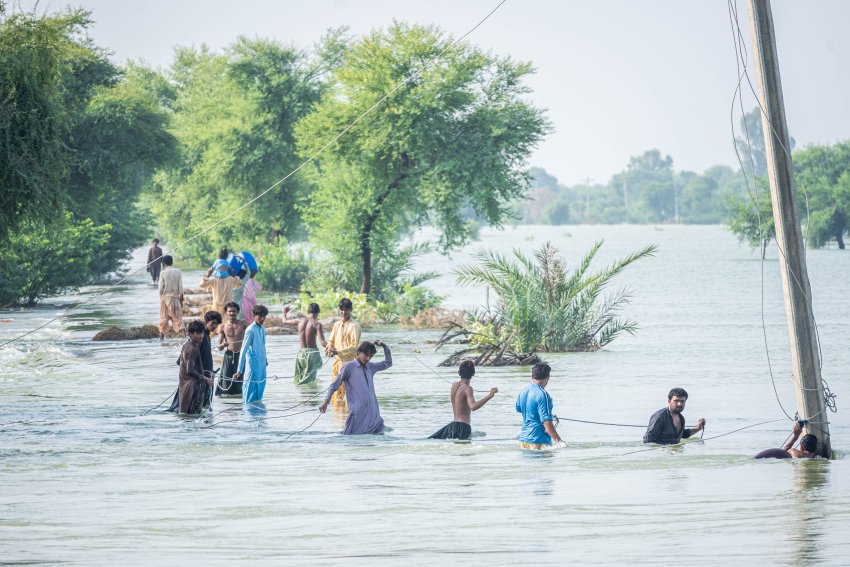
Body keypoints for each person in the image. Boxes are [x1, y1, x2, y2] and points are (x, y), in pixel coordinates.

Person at [319, 340, 392, 435]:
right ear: (358, 352)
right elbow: (334, 385)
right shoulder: (348, 367)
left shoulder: (370, 367)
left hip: (373, 414)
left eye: (371, 356)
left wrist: (384, 346)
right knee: (352, 439)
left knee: (374, 443)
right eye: (366, 355)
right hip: (358, 415)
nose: (368, 358)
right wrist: (326, 402)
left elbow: (388, 363)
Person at [429, 360, 498, 440]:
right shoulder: (468, 389)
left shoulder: (454, 386)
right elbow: (473, 407)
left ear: (459, 373)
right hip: (463, 427)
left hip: (452, 426)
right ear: (473, 374)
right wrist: (490, 395)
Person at [515, 362, 565, 449]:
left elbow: (519, 409)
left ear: (532, 376)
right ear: (548, 377)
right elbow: (546, 422)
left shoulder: (523, 391)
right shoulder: (543, 394)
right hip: (539, 442)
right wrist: (559, 441)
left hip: (523, 441)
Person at [325, 298, 361, 406]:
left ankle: (344, 418)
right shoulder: (337, 325)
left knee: (345, 394)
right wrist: (329, 348)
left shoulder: (354, 326)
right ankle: (337, 419)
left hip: (349, 364)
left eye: (346, 309)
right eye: (341, 309)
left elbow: (354, 347)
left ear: (351, 310)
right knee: (335, 392)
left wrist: (338, 351)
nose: (343, 312)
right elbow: (331, 340)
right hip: (337, 363)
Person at [282, 303, 327, 385]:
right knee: (309, 381)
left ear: (308, 312)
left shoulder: (300, 320)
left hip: (301, 354)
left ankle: (302, 396)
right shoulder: (317, 324)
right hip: (312, 354)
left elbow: (284, 321)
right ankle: (309, 396)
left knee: (300, 379)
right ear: (318, 312)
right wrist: (333, 348)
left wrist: (284, 312)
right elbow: (323, 343)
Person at [176, 320, 213, 415]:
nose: (201, 336)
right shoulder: (193, 349)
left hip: (186, 387)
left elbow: (191, 368)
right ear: (190, 334)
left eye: (202, 333)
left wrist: (206, 372)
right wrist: (206, 379)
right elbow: (190, 371)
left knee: (187, 417)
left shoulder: (187, 346)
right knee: (192, 416)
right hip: (192, 388)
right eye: (197, 333)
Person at [233, 305, 269, 404]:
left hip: (261, 366)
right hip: (252, 367)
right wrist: (239, 370)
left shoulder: (263, 329)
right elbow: (243, 350)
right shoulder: (250, 330)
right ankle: (248, 416)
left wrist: (265, 359)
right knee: (249, 394)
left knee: (259, 393)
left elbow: (263, 346)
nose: (262, 319)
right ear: (254, 315)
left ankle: (259, 417)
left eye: (264, 316)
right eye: (260, 316)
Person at [216, 302, 249, 397]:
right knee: (226, 380)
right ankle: (227, 402)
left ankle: (240, 400)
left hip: (241, 355)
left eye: (234, 311)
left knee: (240, 379)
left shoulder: (244, 323)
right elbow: (219, 347)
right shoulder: (222, 327)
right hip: (229, 355)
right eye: (229, 311)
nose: (231, 313)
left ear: (238, 312)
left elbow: (253, 336)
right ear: (226, 312)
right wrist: (223, 345)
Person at [200, 251, 242, 315]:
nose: (221, 269)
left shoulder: (214, 280)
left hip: (219, 307)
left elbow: (201, 284)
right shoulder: (230, 279)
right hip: (227, 308)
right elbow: (239, 283)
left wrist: (208, 275)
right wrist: (233, 274)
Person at [755, 422, 819, 459]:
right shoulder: (814, 456)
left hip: (762, 458)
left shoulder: (794, 451)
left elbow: (786, 449)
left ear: (802, 447)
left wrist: (796, 436)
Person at [199, 310, 221, 408]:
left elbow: (205, 357)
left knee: (206, 405)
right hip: (201, 376)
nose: (215, 326)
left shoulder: (207, 335)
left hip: (207, 375)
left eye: (216, 324)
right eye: (213, 323)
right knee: (203, 404)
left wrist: (211, 370)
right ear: (206, 322)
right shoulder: (201, 336)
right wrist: (204, 373)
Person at [158, 255, 184, 338]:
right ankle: (183, 339)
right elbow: (181, 287)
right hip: (175, 298)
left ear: (164, 263)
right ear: (172, 262)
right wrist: (181, 299)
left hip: (165, 298)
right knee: (178, 320)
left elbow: (161, 288)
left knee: (163, 319)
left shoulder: (163, 273)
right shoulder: (178, 271)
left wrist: (161, 297)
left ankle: (162, 339)